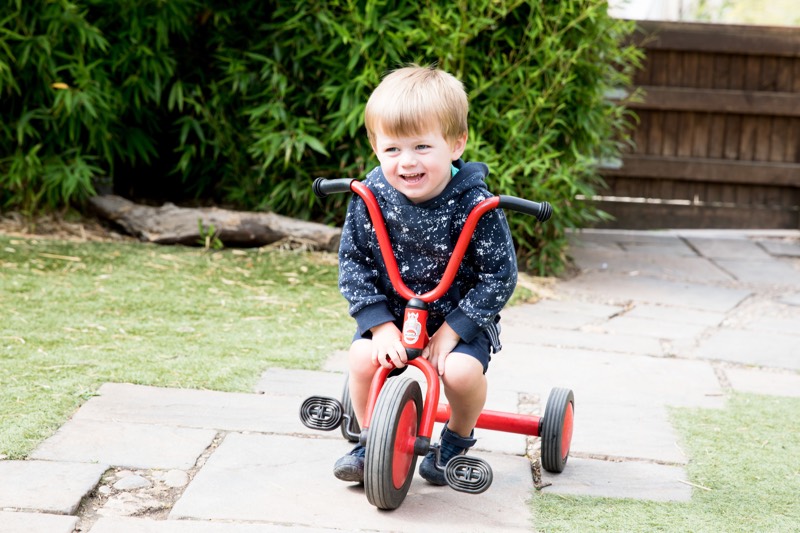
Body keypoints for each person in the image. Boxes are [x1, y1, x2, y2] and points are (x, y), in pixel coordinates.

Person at [333, 65, 518, 486]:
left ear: (456, 144)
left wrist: (453, 331)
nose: (407, 161)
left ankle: (456, 438)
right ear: (375, 146)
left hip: (458, 318)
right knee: (362, 358)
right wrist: (379, 327)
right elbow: (354, 263)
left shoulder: (478, 205)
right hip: (394, 317)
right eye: (393, 149)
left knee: (461, 373)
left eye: (422, 146)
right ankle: (369, 441)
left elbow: (499, 276)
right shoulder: (370, 196)